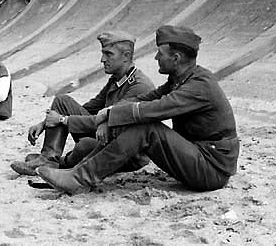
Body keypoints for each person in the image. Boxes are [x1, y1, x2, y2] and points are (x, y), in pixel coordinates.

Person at [35, 25, 240, 195]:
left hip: (211, 169)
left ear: (175, 58)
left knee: (147, 127)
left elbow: (158, 108)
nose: (155, 59)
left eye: (160, 54)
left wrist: (110, 114)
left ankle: (79, 178)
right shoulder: (181, 79)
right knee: (135, 121)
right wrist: (111, 115)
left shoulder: (200, 85)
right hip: (198, 158)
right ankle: (75, 173)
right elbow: (146, 99)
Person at [10, 31, 155, 177]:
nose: (102, 59)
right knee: (62, 101)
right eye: (103, 53)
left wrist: (61, 120)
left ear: (126, 56)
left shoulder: (138, 86)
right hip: (108, 138)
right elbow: (89, 108)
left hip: (125, 152)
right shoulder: (118, 79)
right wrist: (44, 123)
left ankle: (59, 163)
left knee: (84, 146)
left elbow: (111, 121)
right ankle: (47, 158)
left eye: (109, 54)